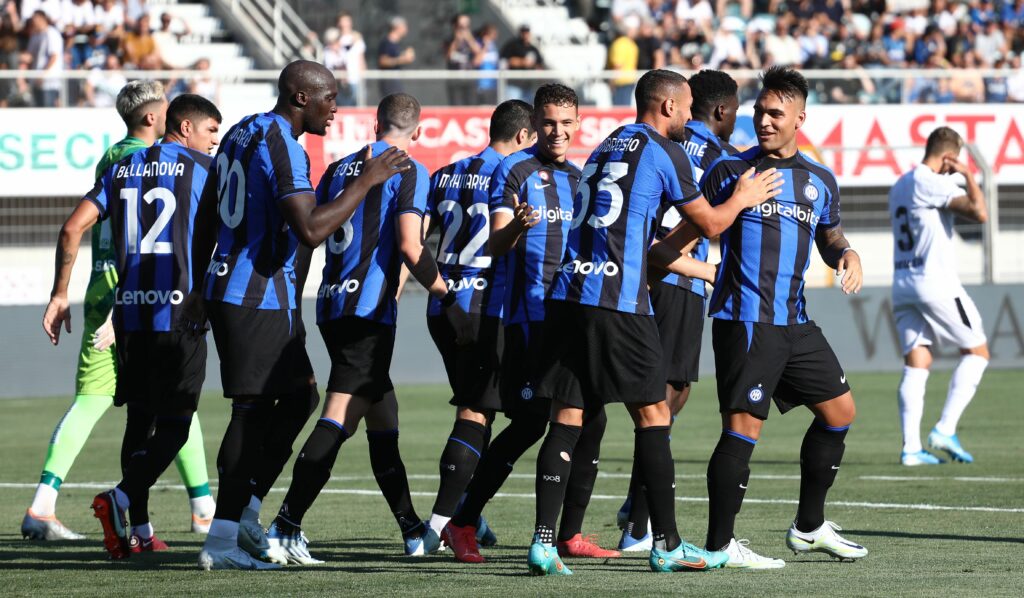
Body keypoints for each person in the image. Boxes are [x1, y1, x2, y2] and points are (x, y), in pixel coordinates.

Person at [525, 68, 780, 576]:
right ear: (666, 107)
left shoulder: (603, 147)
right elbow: (710, 222)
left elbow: (636, 231)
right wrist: (742, 199)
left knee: (567, 417)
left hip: (568, 296)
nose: (690, 115)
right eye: (685, 106)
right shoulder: (665, 152)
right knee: (655, 416)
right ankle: (665, 543)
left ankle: (543, 542)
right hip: (619, 300)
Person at [188, 60, 410, 570]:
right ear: (300, 97)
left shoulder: (242, 131)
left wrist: (200, 283)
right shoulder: (283, 143)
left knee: (300, 396)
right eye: (329, 97)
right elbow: (311, 229)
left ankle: (243, 510)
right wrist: (367, 182)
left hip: (253, 294)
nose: (335, 107)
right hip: (252, 294)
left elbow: (206, 215)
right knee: (251, 408)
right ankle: (221, 539)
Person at [265, 92, 474, 563]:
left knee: (384, 418)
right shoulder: (410, 169)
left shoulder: (337, 168)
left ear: (376, 124)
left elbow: (309, 235)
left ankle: (412, 530)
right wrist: (446, 295)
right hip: (368, 313)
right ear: (416, 132)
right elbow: (410, 244)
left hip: (333, 306)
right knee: (337, 416)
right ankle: (284, 525)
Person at [25, 80, 216, 543]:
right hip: (137, 299)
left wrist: (65, 291)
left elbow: (78, 227)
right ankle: (56, 504)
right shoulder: (136, 159)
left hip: (125, 303)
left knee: (143, 411)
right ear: (158, 119)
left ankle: (183, 511)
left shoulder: (121, 162)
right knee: (158, 405)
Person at [699, 66, 868, 567]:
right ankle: (719, 546)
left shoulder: (820, 180)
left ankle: (809, 527)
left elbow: (829, 235)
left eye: (776, 113)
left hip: (795, 321)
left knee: (840, 413)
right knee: (742, 428)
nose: (765, 121)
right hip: (747, 318)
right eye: (759, 112)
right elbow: (692, 225)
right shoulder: (732, 172)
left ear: (800, 118)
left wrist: (847, 254)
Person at [445, 84, 619, 565]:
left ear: (578, 123)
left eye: (566, 123)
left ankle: (570, 535)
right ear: (535, 126)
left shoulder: (583, 179)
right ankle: (462, 522)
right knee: (527, 425)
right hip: (529, 319)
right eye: (548, 123)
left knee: (592, 420)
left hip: (572, 314)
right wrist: (520, 225)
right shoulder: (514, 169)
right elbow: (495, 244)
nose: (558, 132)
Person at [617, 68, 741, 553]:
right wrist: (708, 271)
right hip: (677, 276)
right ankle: (640, 521)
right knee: (668, 394)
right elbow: (711, 224)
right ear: (723, 111)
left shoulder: (658, 143)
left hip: (639, 275)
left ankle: (635, 505)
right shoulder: (721, 156)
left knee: (659, 394)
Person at [420, 99, 536, 556]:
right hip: (485, 308)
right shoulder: (511, 176)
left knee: (476, 410)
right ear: (525, 137)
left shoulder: (444, 173)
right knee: (480, 412)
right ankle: (441, 525)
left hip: (442, 305)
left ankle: (468, 510)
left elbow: (420, 237)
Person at [889, 127, 989, 466]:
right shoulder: (932, 180)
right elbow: (980, 213)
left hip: (903, 281)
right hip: (936, 282)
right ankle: (945, 428)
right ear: (949, 156)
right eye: (955, 160)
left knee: (918, 363)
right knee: (977, 352)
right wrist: (969, 176)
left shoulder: (900, 184)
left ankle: (911, 448)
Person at [25, 10, 63, 107]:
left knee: (47, 110)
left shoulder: (52, 33)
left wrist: (42, 75)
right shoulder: (35, 35)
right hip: (36, 81)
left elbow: (54, 56)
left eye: (35, 19)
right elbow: (29, 56)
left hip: (49, 81)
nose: (34, 22)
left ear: (42, 19)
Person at [500, 25, 544, 102]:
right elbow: (505, 60)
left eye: (527, 32)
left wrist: (533, 65)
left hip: (527, 85)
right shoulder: (512, 45)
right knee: (512, 108)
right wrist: (522, 62)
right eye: (523, 32)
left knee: (527, 110)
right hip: (514, 84)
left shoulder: (532, 48)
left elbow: (539, 64)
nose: (525, 34)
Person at [445, 13, 481, 106]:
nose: (464, 29)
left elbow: (478, 53)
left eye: (467, 26)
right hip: (455, 79)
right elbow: (448, 56)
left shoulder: (473, 38)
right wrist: (457, 40)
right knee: (456, 106)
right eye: (461, 26)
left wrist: (469, 39)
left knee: (471, 105)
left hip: (470, 78)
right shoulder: (449, 39)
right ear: (455, 26)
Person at [377, 16, 414, 98]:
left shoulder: (397, 43)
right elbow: (383, 61)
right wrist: (403, 59)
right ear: (397, 27)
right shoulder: (386, 42)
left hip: (395, 79)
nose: (406, 29)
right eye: (404, 26)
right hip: (389, 81)